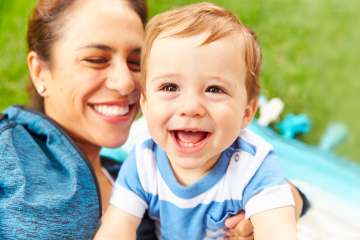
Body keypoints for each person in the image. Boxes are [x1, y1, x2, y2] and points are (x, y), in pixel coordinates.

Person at [0, 0, 309, 239]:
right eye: (96, 59)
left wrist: (287, 200)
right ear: (40, 70)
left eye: (136, 62)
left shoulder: (135, 166)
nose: (125, 83)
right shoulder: (10, 148)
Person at [95, 2, 298, 240]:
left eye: (214, 89)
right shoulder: (143, 161)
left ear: (246, 112)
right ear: (145, 103)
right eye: (170, 87)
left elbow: (278, 231)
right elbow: (115, 231)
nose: (191, 108)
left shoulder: (252, 164)